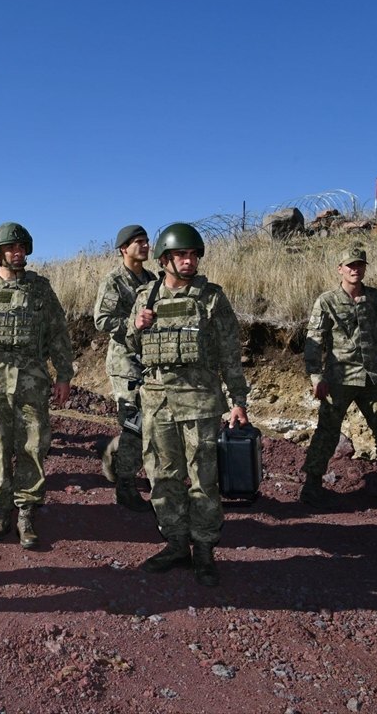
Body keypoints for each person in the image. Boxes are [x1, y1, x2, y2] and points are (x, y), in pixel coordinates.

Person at [127, 223, 249, 587]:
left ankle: (206, 550)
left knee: (203, 480)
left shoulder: (212, 297)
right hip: (158, 402)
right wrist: (137, 326)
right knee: (162, 477)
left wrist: (238, 401)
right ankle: (177, 543)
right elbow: (132, 348)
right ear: (165, 259)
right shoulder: (146, 296)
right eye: (181, 254)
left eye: (193, 254)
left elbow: (230, 353)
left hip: (200, 402)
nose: (188, 260)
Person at [0, 223, 73, 549]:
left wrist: (64, 375)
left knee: (33, 446)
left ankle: (26, 512)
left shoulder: (40, 290)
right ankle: (1, 511)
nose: (18, 252)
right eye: (12, 247)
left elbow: (59, 334)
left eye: (22, 246)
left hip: (32, 380)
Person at [301, 245, 377, 519]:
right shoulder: (326, 300)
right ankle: (312, 486)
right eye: (350, 265)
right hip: (339, 378)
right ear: (340, 269)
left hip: (374, 378)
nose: (355, 269)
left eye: (360, 265)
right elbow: (314, 342)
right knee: (327, 432)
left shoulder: (375, 298)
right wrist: (316, 377)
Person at [93, 224, 156, 511]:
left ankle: (111, 450)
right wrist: (133, 324)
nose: (144, 246)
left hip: (151, 362)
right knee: (134, 425)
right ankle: (126, 487)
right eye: (138, 242)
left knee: (152, 424)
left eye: (146, 241)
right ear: (124, 249)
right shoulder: (114, 281)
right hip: (125, 364)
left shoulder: (153, 279)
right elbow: (102, 320)